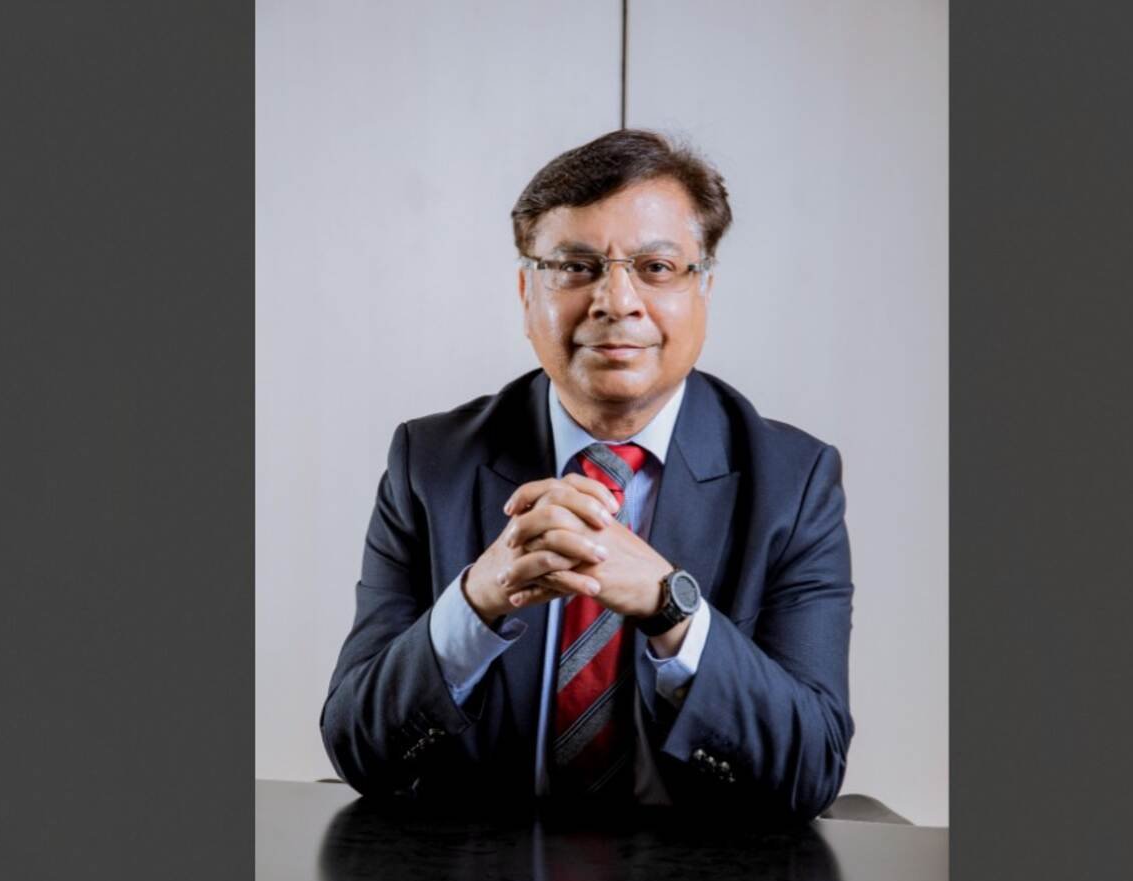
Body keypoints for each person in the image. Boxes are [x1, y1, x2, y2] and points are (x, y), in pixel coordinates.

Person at [320, 129, 853, 818]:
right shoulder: (429, 464)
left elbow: (810, 767)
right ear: (526, 291)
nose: (616, 300)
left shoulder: (794, 481)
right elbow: (357, 747)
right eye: (575, 266)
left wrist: (671, 607)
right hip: (475, 874)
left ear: (704, 289)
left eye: (656, 267)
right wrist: (476, 602)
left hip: (701, 878)